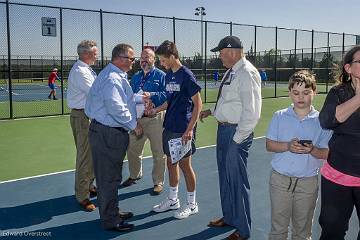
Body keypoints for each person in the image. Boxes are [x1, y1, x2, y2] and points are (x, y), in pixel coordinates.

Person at [199, 35, 262, 240]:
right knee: (225, 178)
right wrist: (211, 111)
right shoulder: (232, 72)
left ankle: (243, 231)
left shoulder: (246, 73)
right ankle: (230, 217)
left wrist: (237, 140)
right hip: (225, 130)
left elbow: (251, 113)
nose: (220, 57)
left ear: (233, 52)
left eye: (222, 53)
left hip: (236, 134)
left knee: (237, 181)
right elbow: (229, 101)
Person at [85, 43, 147, 232]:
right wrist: (133, 124)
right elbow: (116, 107)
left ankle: (112, 211)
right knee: (109, 179)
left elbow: (122, 100)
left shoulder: (114, 75)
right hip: (108, 134)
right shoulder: (112, 78)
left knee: (110, 177)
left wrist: (138, 98)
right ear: (120, 59)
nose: (133, 62)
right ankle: (111, 220)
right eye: (131, 58)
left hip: (107, 133)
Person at [266, 70, 332, 240]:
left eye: (306, 92)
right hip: (280, 181)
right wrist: (288, 146)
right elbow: (269, 145)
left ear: (314, 92)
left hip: (308, 183)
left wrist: (312, 150)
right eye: (296, 93)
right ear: (290, 93)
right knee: (278, 230)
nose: (300, 97)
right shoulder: (279, 116)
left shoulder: (322, 121)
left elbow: (326, 153)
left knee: (302, 232)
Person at [147, 40, 202, 219]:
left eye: (163, 60)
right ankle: (173, 200)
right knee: (171, 163)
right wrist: (155, 109)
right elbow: (170, 101)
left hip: (183, 128)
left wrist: (190, 128)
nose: (161, 64)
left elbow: (198, 104)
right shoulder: (169, 75)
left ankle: (192, 204)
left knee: (186, 166)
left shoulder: (186, 75)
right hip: (169, 126)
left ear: (172, 56)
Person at [318, 45, 360, 240]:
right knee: (332, 232)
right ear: (348, 68)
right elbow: (327, 121)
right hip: (338, 177)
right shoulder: (338, 92)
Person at [122, 48, 167, 195]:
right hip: (138, 119)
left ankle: (158, 182)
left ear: (154, 59)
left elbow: (167, 95)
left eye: (147, 57)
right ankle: (135, 175)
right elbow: (130, 96)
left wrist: (151, 96)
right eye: (142, 58)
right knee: (132, 149)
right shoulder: (135, 76)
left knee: (158, 152)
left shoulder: (161, 76)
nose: (144, 60)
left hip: (155, 119)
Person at [67, 40, 98, 212]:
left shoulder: (86, 69)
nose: (97, 55)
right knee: (85, 156)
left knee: (92, 153)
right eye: (95, 52)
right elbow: (96, 92)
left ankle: (89, 185)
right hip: (82, 117)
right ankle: (82, 195)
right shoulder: (80, 71)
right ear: (86, 54)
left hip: (89, 116)